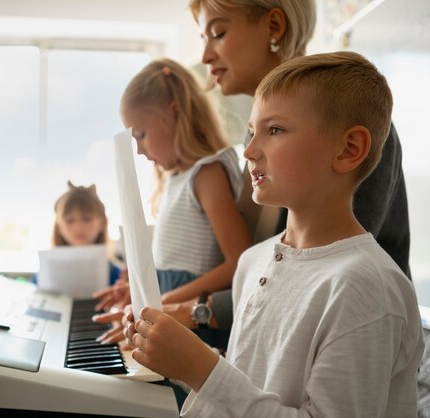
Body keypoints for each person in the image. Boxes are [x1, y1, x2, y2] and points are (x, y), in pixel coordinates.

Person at [124, 50, 424, 417]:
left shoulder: (366, 288)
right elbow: (248, 388)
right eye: (251, 131)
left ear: (349, 149)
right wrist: (175, 355)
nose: (249, 150)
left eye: (275, 130)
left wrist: (200, 367)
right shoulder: (254, 262)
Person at [95, 0, 413, 342]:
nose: (205, 57)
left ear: (274, 26)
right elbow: (259, 264)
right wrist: (150, 289)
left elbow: (316, 276)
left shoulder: (347, 120)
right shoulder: (252, 142)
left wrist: (189, 309)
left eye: (217, 34)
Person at [95, 57, 251, 324]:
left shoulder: (206, 174)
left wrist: (165, 301)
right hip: (170, 313)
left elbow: (239, 261)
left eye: (141, 135)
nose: (139, 151)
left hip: (193, 320)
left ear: (174, 112)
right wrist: (141, 290)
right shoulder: (176, 179)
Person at [31, 180, 122, 287]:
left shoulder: (119, 277)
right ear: (59, 227)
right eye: (70, 220)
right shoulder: (44, 275)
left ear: (102, 223)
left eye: (87, 219)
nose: (78, 227)